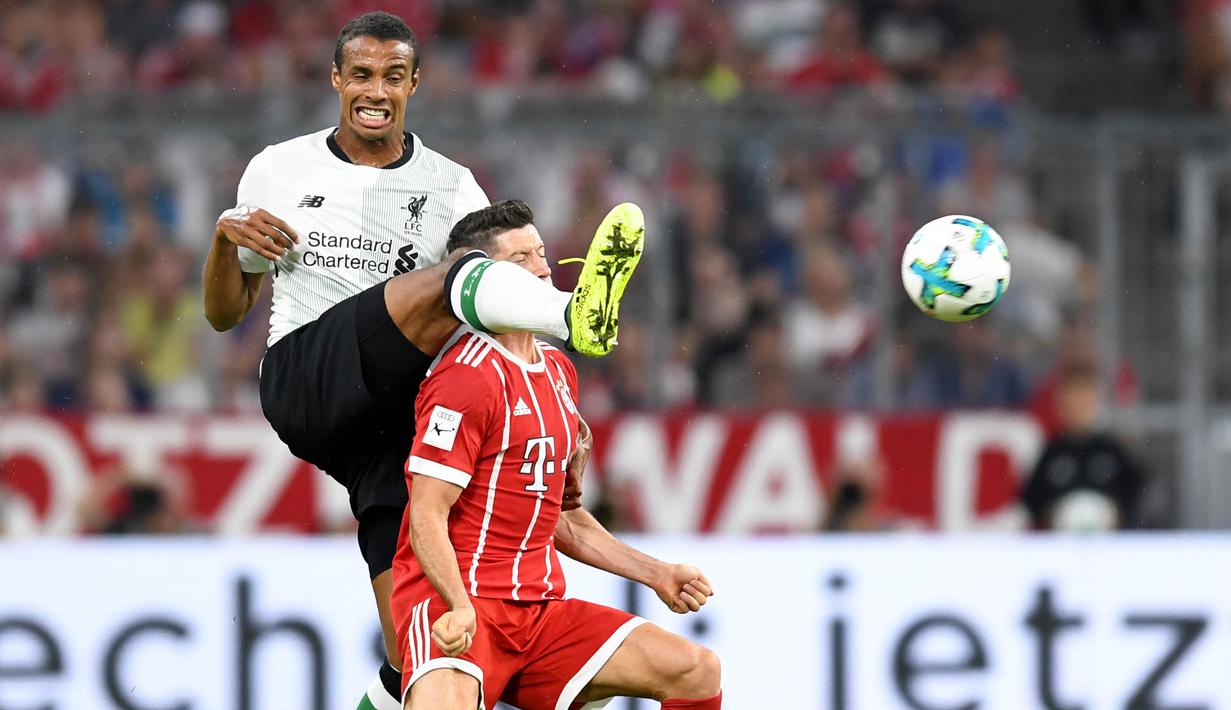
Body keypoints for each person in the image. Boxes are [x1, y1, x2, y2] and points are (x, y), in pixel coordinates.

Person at [201, 13, 644, 710]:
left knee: (423, 651)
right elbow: (225, 313)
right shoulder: (278, 169)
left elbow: (490, 318)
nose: (375, 90)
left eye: (392, 76)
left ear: (414, 84)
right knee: (456, 275)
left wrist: (559, 424)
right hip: (307, 377)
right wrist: (225, 243)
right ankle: (570, 314)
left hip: (392, 424)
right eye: (362, 75)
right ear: (337, 80)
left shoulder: (451, 187)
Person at [393, 200, 722, 710]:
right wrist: (458, 606)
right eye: (522, 258)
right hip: (456, 605)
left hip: (538, 613)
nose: (544, 268)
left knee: (696, 671)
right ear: (487, 279)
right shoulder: (464, 378)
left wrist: (656, 572)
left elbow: (560, 520)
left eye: (542, 252)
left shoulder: (557, 370)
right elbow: (427, 514)